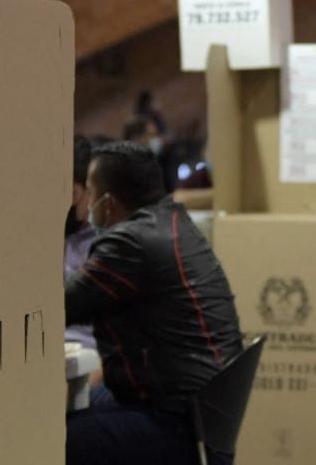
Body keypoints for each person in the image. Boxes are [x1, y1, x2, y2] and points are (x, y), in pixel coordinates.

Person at [65, 142, 243, 465]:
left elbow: (59, 307)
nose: (88, 202)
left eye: (90, 191)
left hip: (174, 424)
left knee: (51, 437)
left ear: (110, 202)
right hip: (199, 417)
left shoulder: (129, 243)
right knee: (84, 405)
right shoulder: (172, 223)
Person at [64, 135, 97, 348]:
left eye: (72, 192)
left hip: (91, 359)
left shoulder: (106, 243)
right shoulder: (34, 240)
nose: (68, 202)